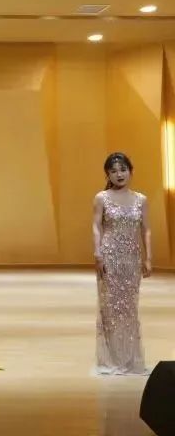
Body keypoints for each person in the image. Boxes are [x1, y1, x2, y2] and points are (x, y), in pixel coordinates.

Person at [93, 152, 151, 375]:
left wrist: (149, 257)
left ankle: (130, 358)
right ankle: (112, 358)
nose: (119, 174)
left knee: (129, 308)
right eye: (114, 171)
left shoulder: (141, 199)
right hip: (109, 257)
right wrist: (98, 254)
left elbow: (146, 229)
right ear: (107, 174)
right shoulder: (102, 198)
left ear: (130, 171)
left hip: (131, 259)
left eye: (123, 169)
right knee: (110, 308)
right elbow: (96, 226)